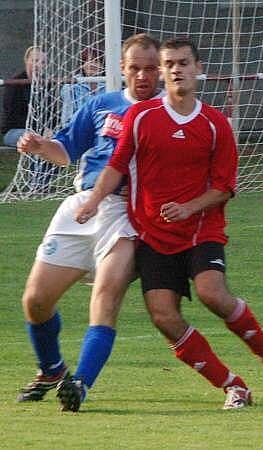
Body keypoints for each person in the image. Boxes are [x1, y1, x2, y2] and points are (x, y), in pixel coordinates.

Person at [74, 37, 263, 410]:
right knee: (164, 316)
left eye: (183, 63)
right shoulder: (141, 117)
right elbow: (116, 167)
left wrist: (188, 208)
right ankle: (233, 386)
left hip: (200, 230)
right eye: (169, 64)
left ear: (197, 69)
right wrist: (94, 202)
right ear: (162, 73)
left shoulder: (215, 124)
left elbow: (225, 187)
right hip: (153, 233)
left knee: (213, 294)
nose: (176, 69)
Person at [15, 33, 163, 412]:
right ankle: (51, 370)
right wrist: (38, 145)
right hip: (81, 206)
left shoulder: (167, 112)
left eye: (150, 69)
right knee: (35, 301)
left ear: (160, 70)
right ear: (122, 68)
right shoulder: (101, 104)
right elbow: (65, 151)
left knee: (105, 296)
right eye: (135, 68)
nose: (143, 76)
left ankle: (79, 384)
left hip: (129, 215)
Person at [1, 46, 46, 147]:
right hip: (14, 131)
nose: (38, 65)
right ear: (26, 60)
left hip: (40, 131)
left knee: (53, 138)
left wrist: (50, 129)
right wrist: (40, 130)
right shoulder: (15, 83)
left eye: (43, 62)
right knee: (34, 138)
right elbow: (13, 116)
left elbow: (52, 112)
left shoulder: (47, 84)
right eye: (35, 60)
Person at [60, 48, 106, 126]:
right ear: (82, 64)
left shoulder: (109, 87)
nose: (92, 64)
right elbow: (67, 119)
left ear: (102, 65)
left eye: (97, 61)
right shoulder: (71, 87)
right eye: (89, 60)